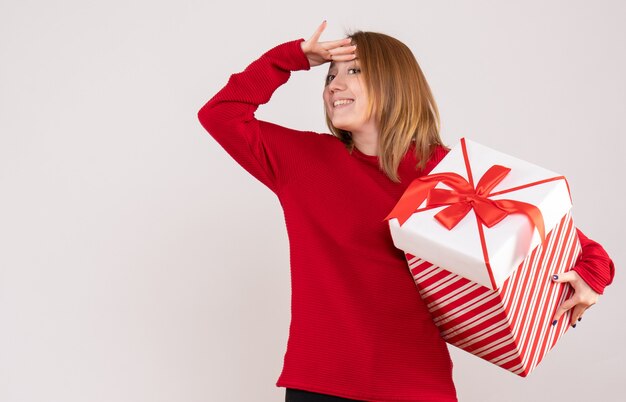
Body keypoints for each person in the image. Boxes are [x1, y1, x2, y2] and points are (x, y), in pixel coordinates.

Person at [197, 21, 615, 402]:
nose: (333, 85)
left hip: (417, 389)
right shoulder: (303, 161)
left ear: (395, 83)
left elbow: (571, 242)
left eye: (353, 71)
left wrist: (591, 277)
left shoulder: (449, 172)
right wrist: (293, 59)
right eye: (330, 75)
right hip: (321, 386)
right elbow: (220, 114)